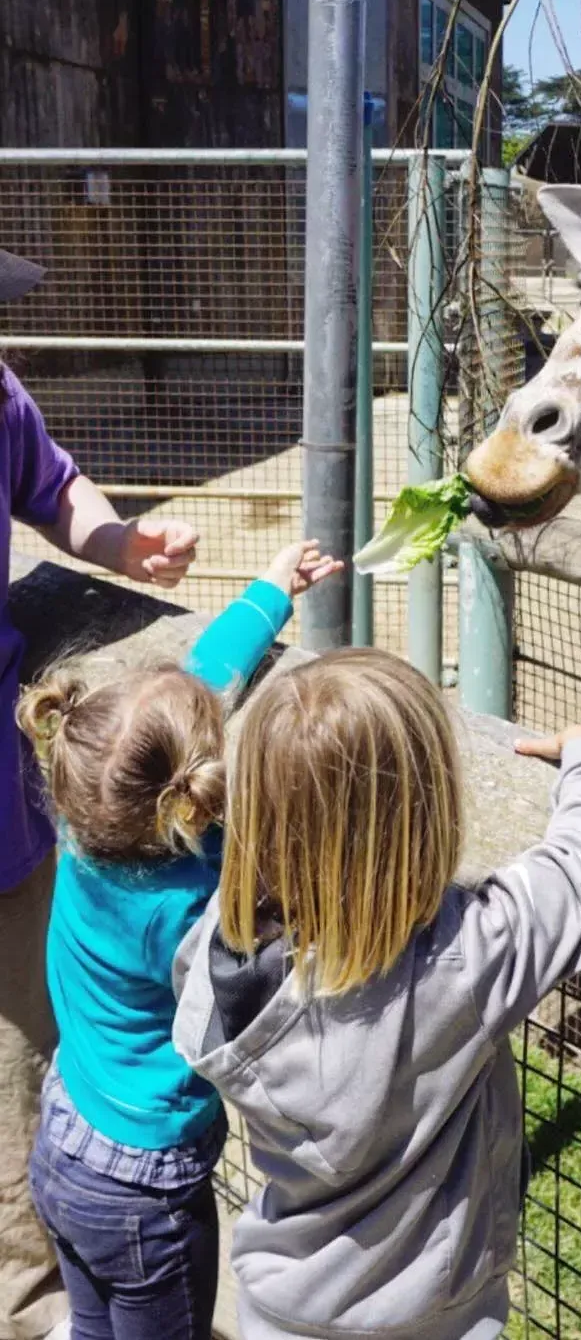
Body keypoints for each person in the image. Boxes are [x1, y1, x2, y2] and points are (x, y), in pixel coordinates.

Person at [172, 648, 581, 1340]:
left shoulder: (218, 948)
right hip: (430, 1318)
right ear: (423, 813)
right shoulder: (465, 958)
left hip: (279, 1307)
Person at [19, 538, 342, 1340]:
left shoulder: (81, 817)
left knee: (92, 1328)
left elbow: (205, 674)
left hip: (63, 1134)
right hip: (145, 1186)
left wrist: (270, 590)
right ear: (190, 791)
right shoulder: (196, 905)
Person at [0, 246, 200, 1340]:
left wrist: (126, 538)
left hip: (3, 825)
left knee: (23, 1069)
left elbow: (54, 482)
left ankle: (37, 1315)